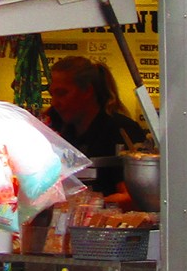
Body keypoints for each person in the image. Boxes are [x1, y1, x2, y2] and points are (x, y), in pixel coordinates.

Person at [43, 56, 149, 204]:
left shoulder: (120, 131)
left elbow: (133, 197)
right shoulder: (59, 130)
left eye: (62, 93)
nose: (55, 103)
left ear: (87, 91)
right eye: (52, 94)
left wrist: (88, 208)